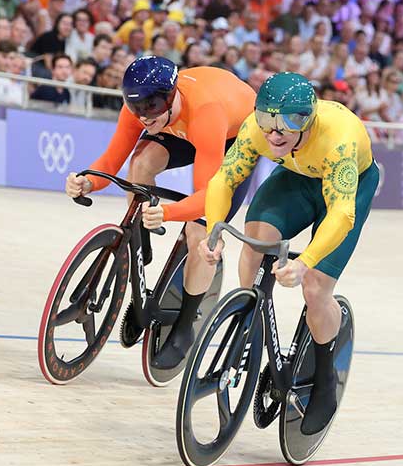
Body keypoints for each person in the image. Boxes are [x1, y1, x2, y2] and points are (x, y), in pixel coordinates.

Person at [199, 72, 378, 435]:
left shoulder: (339, 138)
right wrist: (213, 230)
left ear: (308, 119)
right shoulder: (256, 130)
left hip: (346, 188)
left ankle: (326, 376)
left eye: (288, 123)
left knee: (314, 287)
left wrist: (305, 262)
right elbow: (223, 180)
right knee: (255, 241)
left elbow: (342, 213)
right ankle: (247, 322)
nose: (274, 133)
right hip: (297, 177)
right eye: (266, 121)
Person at [64, 56, 257, 370]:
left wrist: (168, 213)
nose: (143, 118)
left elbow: (209, 197)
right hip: (181, 124)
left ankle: (184, 326)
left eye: (151, 108)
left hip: (233, 134)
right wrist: (88, 181)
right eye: (136, 109)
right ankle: (140, 241)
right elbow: (112, 163)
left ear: (170, 97)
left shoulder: (206, 113)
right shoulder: (142, 109)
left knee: (200, 233)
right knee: (140, 165)